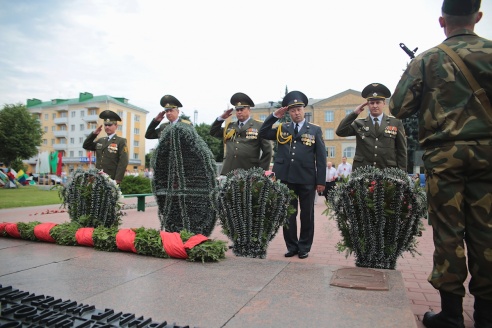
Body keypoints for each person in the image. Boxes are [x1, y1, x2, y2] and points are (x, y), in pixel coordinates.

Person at [389, 1, 492, 327]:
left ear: (441, 21)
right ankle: (486, 316)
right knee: (487, 233)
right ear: (477, 17)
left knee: (448, 234)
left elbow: (398, 107)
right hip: (488, 157)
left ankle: (450, 315)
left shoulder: (427, 60)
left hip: (445, 160)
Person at [259, 90, 326, 259]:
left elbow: (321, 158)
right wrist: (274, 115)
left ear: (304, 110)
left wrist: (321, 181)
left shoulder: (315, 130)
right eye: (293, 110)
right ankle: (291, 246)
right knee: (288, 213)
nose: (296, 113)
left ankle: (304, 247)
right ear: (288, 112)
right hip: (286, 178)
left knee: (306, 214)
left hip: (307, 179)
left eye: (299, 109)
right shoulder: (283, 127)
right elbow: (263, 132)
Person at [336, 83, 407, 172]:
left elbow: (402, 151)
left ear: (384, 103)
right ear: (367, 105)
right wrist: (354, 113)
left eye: (378, 102)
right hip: (363, 172)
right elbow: (340, 131)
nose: (375, 106)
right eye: (371, 103)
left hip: (387, 171)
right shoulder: (359, 123)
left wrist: (402, 173)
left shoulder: (395, 123)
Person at [210, 92, 273, 175]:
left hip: (249, 171)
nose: (239, 112)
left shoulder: (259, 126)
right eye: (237, 110)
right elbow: (213, 132)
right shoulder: (230, 126)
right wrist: (221, 118)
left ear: (249, 110)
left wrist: (261, 171)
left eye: (242, 109)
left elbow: (267, 151)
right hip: (229, 170)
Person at [83, 110, 129, 184]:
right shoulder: (101, 140)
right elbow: (86, 145)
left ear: (116, 126)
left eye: (110, 125)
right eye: (105, 125)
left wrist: (118, 179)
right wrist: (94, 134)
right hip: (98, 177)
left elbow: (123, 162)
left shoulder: (121, 141)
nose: (107, 127)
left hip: (111, 178)